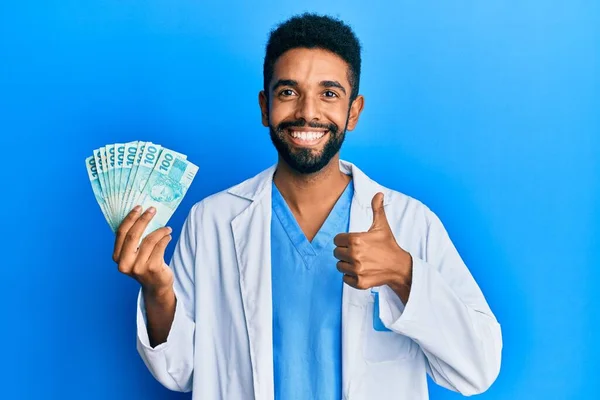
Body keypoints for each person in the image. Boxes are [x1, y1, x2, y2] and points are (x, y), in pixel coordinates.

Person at [112, 13, 502, 400]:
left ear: (354, 112)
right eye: (288, 92)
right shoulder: (212, 220)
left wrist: (404, 274)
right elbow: (178, 371)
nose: (307, 112)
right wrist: (158, 291)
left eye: (329, 94)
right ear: (265, 107)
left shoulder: (411, 222)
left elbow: (478, 369)